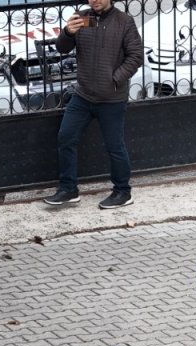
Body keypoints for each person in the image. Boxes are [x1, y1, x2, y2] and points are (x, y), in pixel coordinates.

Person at [42, 0, 143, 210]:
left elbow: (136, 56)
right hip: (83, 95)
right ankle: (69, 189)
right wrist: (67, 32)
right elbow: (62, 48)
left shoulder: (124, 21)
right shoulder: (83, 18)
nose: (95, 0)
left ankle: (122, 191)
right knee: (66, 137)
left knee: (115, 147)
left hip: (111, 98)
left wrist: (114, 79)